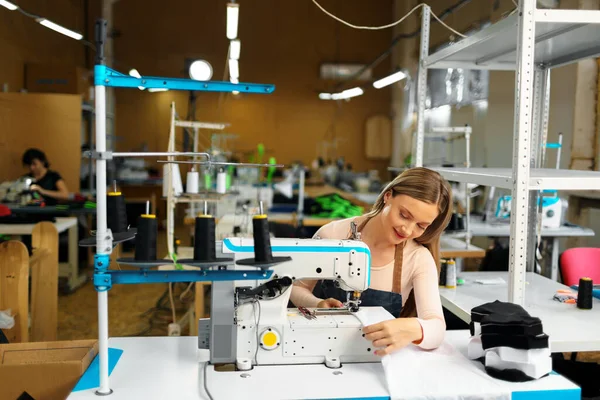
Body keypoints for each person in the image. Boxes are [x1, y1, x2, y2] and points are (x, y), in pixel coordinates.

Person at [289, 167, 453, 355]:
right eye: (404, 215)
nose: (407, 230)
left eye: (421, 226)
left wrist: (413, 328)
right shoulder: (332, 235)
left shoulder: (418, 258)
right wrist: (316, 304)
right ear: (388, 196)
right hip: (316, 349)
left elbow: (437, 329)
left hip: (373, 358)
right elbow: (296, 287)